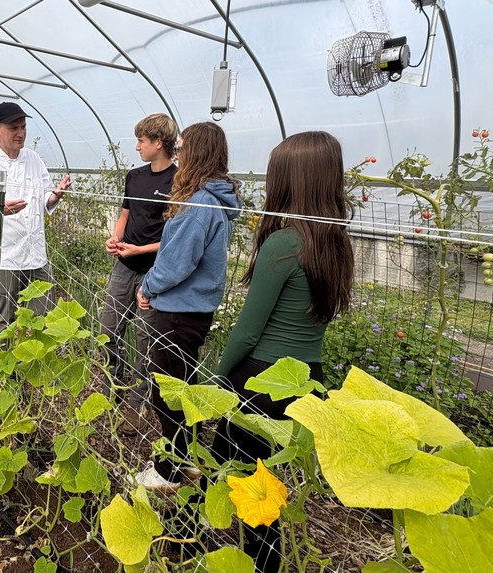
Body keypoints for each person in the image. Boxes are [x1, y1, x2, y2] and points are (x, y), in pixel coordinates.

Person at [212, 131, 355, 572]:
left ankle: (247, 558)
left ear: (292, 180)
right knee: (267, 478)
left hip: (262, 378)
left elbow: (247, 332)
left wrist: (218, 376)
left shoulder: (282, 243)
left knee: (235, 473)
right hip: (305, 379)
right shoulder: (335, 242)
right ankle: (259, 557)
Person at [133, 121, 241, 491]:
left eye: (181, 148)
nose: (177, 154)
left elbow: (177, 262)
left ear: (196, 153)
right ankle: (186, 461)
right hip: (194, 311)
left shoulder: (198, 204)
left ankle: (169, 472)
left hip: (178, 312)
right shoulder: (216, 200)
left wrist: (148, 286)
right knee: (182, 388)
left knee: (168, 394)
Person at [0, 102, 71, 333]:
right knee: (3, 323)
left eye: (23, 127)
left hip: (36, 255)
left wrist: (55, 196)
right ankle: (5, 358)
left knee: (45, 318)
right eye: (13, 128)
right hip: (4, 257)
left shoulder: (34, 159)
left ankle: (35, 355)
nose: (20, 133)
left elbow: (44, 197)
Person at [101, 113, 178, 431]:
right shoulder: (134, 176)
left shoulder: (179, 181)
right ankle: (112, 388)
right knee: (108, 332)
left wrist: (140, 250)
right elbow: (125, 214)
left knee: (146, 341)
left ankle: (137, 405)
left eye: (141, 141)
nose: (137, 147)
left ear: (158, 143)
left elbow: (175, 237)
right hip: (124, 266)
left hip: (153, 272)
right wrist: (116, 238)